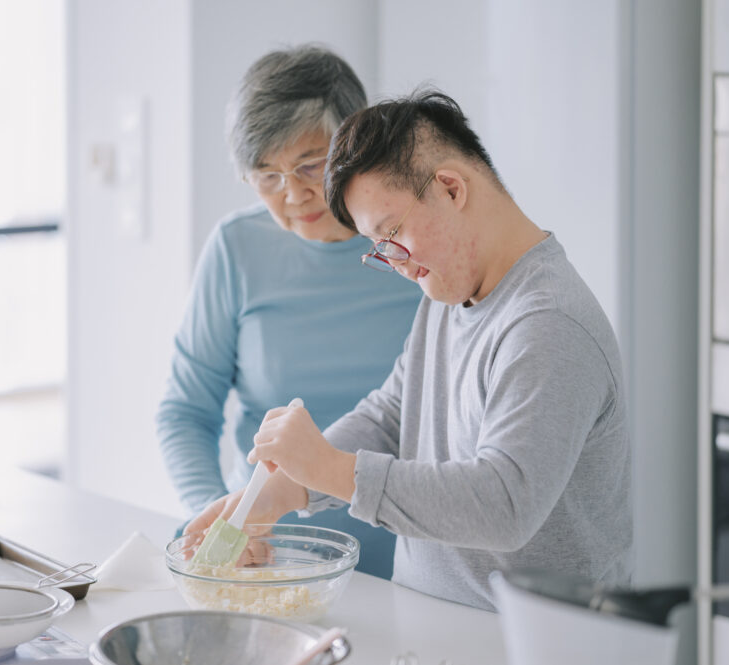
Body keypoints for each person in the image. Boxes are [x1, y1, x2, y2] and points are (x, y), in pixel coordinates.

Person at [185, 90, 633, 610]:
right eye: (379, 246)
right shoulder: (449, 287)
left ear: (449, 188)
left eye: (392, 232)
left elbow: (504, 504)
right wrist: (286, 490)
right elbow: (393, 414)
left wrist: (330, 468)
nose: (393, 261)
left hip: (530, 644)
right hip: (437, 624)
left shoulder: (549, 322)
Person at [156, 45, 422, 580]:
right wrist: (220, 516)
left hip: (410, 558)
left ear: (356, 141)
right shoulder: (237, 247)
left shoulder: (417, 246)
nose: (293, 194)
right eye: (267, 176)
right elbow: (186, 412)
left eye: (308, 165)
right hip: (270, 555)